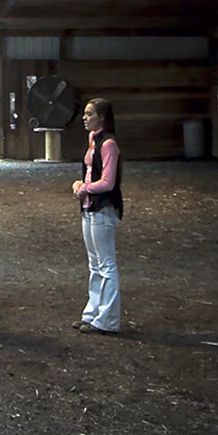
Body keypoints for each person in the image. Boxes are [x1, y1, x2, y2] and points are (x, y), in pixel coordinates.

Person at [70, 98, 123, 335]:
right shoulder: (93, 141)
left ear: (101, 117)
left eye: (89, 114)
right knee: (95, 264)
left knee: (106, 264)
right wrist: (81, 185)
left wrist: (85, 188)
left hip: (103, 207)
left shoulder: (108, 144)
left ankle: (108, 319)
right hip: (90, 207)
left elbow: (108, 182)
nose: (84, 117)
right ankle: (93, 314)